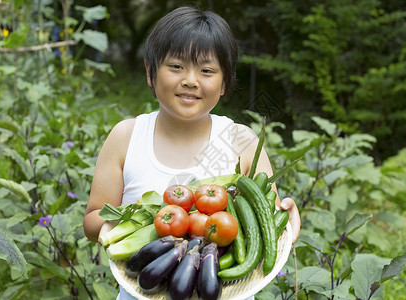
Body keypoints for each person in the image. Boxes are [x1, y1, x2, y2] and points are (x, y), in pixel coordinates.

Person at [83, 6, 301, 299]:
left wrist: (288, 221)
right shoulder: (127, 136)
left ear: (224, 82)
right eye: (176, 66)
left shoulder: (241, 141)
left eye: (207, 70)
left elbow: (267, 223)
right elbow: (94, 217)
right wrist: (126, 230)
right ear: (150, 72)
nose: (190, 80)